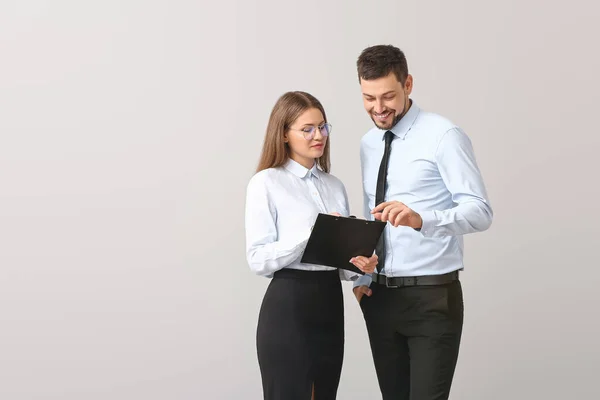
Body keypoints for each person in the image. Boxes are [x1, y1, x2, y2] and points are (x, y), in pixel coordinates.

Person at [352, 45, 494, 400]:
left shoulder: (444, 136)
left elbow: (480, 211)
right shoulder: (368, 143)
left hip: (432, 297)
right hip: (380, 298)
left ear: (408, 84)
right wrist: (364, 277)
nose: (379, 108)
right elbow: (373, 217)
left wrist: (421, 219)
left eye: (388, 96)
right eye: (369, 98)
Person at [244, 91, 378, 400]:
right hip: (289, 305)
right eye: (308, 129)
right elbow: (258, 259)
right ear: (284, 135)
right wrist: (311, 233)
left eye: (323, 127)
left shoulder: (334, 186)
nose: (319, 136)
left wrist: (362, 266)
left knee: (324, 394)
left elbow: (339, 263)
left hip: (330, 303)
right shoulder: (266, 183)